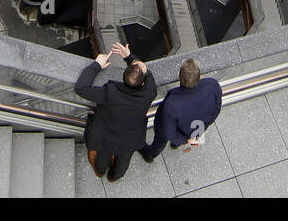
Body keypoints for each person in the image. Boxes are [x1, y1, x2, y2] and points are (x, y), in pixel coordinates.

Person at [74, 42, 157, 182]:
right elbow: (146, 75)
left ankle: (100, 170)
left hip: (106, 136)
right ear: (142, 83)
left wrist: (96, 65)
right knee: (124, 159)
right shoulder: (149, 93)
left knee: (103, 155)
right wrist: (130, 58)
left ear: (123, 75)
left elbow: (80, 88)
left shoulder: (110, 93)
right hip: (131, 138)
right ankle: (116, 175)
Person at [141, 59, 223, 161]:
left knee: (160, 141)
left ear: (179, 75)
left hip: (171, 127)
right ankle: (175, 144)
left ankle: (150, 155)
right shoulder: (212, 84)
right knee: (178, 139)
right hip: (195, 127)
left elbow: (169, 133)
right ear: (200, 77)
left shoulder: (172, 103)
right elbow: (217, 108)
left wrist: (186, 140)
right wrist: (201, 128)